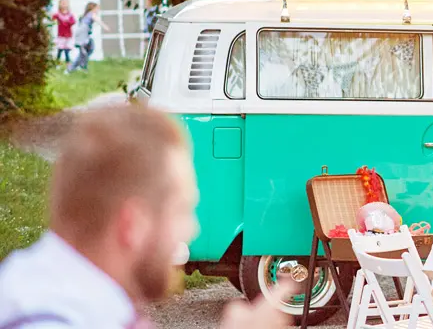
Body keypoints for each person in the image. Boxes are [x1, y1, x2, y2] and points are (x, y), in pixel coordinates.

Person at [0, 103, 294, 329]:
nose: (191, 230)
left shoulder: (64, 299)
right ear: (133, 224)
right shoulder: (49, 319)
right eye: (181, 211)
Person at [66, 3, 105, 73]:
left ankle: (78, 66)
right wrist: (105, 27)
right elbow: (97, 20)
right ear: (92, 8)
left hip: (85, 36)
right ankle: (73, 68)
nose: (98, 10)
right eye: (97, 9)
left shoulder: (86, 15)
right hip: (82, 37)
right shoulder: (91, 14)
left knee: (88, 50)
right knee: (83, 53)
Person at [51, 0, 75, 65]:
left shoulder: (70, 15)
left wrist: (67, 22)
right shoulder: (58, 14)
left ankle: (68, 63)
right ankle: (57, 63)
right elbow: (52, 18)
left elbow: (73, 22)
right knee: (60, 49)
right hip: (61, 35)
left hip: (68, 35)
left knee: (67, 50)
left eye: (65, 3)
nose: (64, 4)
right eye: (62, 3)